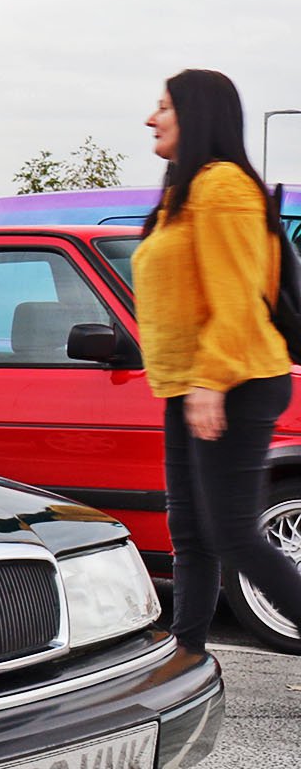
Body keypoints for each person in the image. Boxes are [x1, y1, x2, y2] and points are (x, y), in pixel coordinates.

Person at [132, 68, 301, 653]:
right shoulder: (182, 189)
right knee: (192, 534)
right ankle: (187, 651)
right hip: (192, 383)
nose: (151, 119)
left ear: (197, 114)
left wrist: (210, 382)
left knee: (232, 535)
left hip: (237, 378)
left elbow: (236, 296)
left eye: (163, 107)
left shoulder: (223, 185)